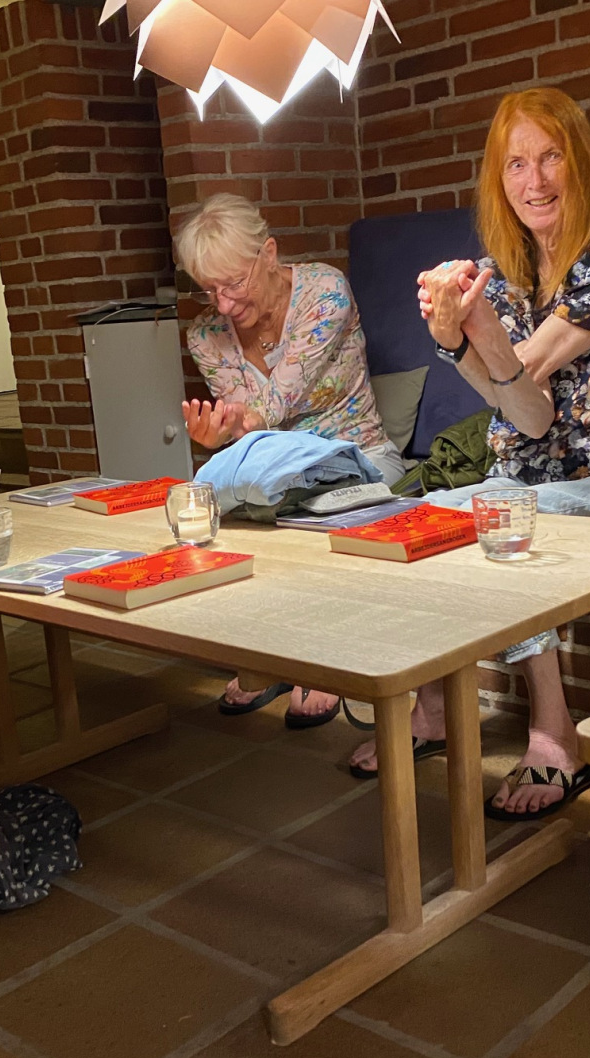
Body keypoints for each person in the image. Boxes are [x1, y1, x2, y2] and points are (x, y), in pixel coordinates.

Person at [346, 87, 590, 821]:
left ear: (581, 160)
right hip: (529, 474)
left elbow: (525, 368)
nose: (534, 181)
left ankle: (555, 731)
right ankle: (433, 707)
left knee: (500, 517)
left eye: (550, 157)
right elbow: (528, 415)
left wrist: (469, 337)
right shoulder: (504, 272)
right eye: (515, 164)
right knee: (423, 516)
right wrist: (457, 337)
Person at [176, 192, 405, 728]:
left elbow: (275, 401)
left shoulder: (324, 292)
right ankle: (266, 653)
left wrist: (237, 426)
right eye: (209, 289)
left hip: (359, 458)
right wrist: (217, 436)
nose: (223, 305)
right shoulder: (205, 335)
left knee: (309, 512)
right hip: (272, 471)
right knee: (209, 510)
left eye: (234, 284)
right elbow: (246, 427)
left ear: (270, 254)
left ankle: (320, 659)